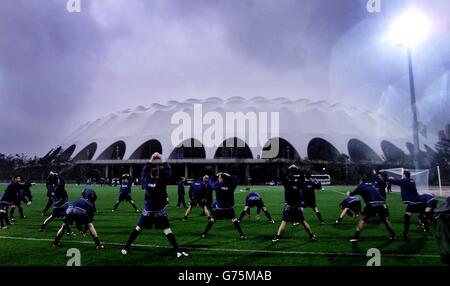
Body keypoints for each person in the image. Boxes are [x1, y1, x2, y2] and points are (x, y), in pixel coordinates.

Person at [121, 153, 188, 258]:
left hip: (147, 211)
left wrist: (151, 158)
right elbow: (168, 171)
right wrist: (162, 158)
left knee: (138, 229)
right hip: (159, 212)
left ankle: (125, 248)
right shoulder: (161, 181)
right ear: (158, 174)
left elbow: (143, 171)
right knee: (167, 230)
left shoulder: (145, 181)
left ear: (150, 174)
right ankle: (178, 251)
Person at [272, 164, 316, 243]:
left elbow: (283, 176)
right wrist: (297, 168)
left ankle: (277, 237)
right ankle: (312, 235)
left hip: (289, 206)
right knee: (303, 221)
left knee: (284, 222)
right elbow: (302, 176)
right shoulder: (298, 184)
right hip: (297, 207)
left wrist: (289, 168)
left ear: (288, 178)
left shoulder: (287, 184)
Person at [348, 177, 396, 243]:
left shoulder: (361, 186)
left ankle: (356, 237)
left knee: (363, 219)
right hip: (381, 203)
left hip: (372, 204)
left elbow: (352, 194)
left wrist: (348, 193)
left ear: (360, 181)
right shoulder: (372, 185)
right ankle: (393, 235)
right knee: (385, 220)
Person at [200, 172, 247, 240]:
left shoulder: (217, 186)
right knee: (234, 220)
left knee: (212, 220)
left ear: (221, 179)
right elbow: (236, 179)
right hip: (229, 208)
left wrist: (216, 175)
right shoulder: (231, 185)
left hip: (220, 208)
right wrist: (229, 175)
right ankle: (242, 235)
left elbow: (210, 181)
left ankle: (204, 234)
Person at [385, 169, 423, 240]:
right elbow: (402, 182)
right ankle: (425, 227)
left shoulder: (405, 181)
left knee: (407, 217)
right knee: (420, 214)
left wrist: (387, 177)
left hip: (412, 202)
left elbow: (396, 182)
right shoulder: (412, 180)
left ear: (404, 175)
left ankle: (405, 233)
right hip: (418, 201)